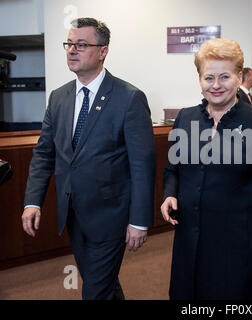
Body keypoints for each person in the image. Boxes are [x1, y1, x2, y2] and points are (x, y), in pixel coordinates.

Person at [21, 18, 156, 299]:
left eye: (81, 45)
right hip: (72, 214)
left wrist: (139, 220)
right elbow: (44, 154)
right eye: (69, 44)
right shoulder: (59, 98)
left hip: (111, 216)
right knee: (102, 284)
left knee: (95, 291)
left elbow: (142, 166)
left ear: (103, 50)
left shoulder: (128, 98)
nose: (72, 50)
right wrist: (32, 201)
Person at [161, 38, 252, 300]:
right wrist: (170, 193)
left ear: (239, 76)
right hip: (191, 243)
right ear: (199, 78)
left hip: (241, 246)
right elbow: (173, 169)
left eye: (224, 76)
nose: (215, 85)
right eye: (208, 77)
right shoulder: (186, 118)